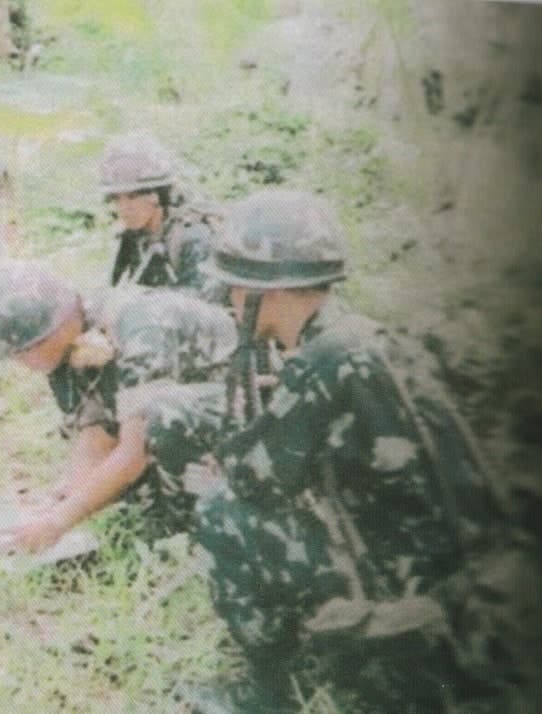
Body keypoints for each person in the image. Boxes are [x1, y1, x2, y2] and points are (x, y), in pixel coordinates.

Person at [188, 189, 519, 713]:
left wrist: (224, 461)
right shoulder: (362, 337)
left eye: (233, 286)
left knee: (221, 508)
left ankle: (268, 694)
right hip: (483, 586)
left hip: (428, 608)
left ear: (263, 292)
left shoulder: (324, 363)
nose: (229, 299)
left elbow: (254, 481)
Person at [0, 263, 237, 551]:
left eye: (22, 352)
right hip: (197, 426)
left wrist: (57, 523)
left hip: (248, 420)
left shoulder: (140, 325)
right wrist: (62, 499)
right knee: (124, 501)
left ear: (54, 330)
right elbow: (96, 438)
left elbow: (136, 451)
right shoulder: (72, 343)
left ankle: (210, 525)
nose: (21, 363)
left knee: (163, 419)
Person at [98, 132, 225, 301]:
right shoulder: (134, 237)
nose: (124, 208)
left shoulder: (193, 236)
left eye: (132, 197)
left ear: (157, 196)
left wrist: (144, 300)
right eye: (116, 199)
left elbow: (203, 300)